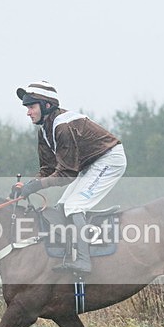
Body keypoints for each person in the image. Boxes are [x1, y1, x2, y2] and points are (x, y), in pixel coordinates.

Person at [14, 81, 127, 273]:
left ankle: (84, 260)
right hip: (91, 164)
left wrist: (35, 186)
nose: (28, 112)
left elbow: (66, 174)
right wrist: (27, 186)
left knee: (74, 206)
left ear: (47, 106)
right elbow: (49, 168)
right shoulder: (44, 131)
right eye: (27, 108)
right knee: (62, 207)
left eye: (31, 107)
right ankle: (71, 252)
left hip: (109, 160)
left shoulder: (63, 127)